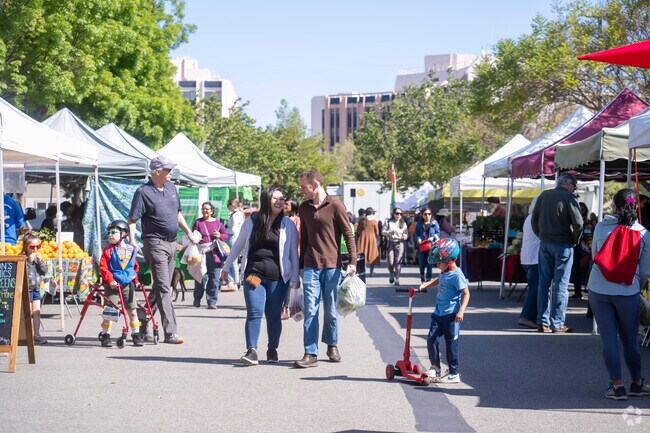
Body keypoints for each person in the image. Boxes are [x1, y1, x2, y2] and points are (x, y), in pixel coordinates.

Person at [220, 187, 299, 365]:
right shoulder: (252, 221)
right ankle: (252, 351)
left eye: (282, 199)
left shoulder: (288, 225)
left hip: (278, 279)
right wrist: (226, 265)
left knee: (273, 315)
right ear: (266, 199)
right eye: (275, 198)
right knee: (254, 312)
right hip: (254, 275)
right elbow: (238, 245)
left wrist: (294, 279)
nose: (280, 202)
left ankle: (272, 349)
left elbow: (293, 254)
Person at [587, 188, 650, 400]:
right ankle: (637, 382)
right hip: (627, 291)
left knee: (609, 339)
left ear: (614, 205)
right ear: (636, 206)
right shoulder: (643, 233)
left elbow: (596, 255)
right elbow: (645, 270)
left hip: (599, 288)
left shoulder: (601, 228)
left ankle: (617, 386)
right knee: (630, 339)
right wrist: (634, 286)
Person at [128, 156, 195, 345]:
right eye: (168, 169)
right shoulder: (143, 192)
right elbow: (132, 220)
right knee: (165, 287)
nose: (171, 173)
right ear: (157, 171)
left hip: (173, 243)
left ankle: (143, 315)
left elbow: (177, 214)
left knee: (161, 285)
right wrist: (132, 241)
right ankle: (170, 332)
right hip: (154, 243)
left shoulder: (172, 188)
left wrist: (188, 232)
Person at [295, 168, 357, 368]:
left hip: (332, 266)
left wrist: (353, 261)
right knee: (311, 309)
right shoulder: (303, 208)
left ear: (315, 184)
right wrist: (300, 266)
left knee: (330, 310)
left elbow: (348, 234)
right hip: (311, 265)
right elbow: (303, 237)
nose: (302, 190)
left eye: (304, 186)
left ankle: (332, 345)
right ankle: (310, 352)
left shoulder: (336, 205)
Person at [531, 172, 583, 333]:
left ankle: (542, 321)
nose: (574, 190)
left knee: (544, 284)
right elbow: (579, 223)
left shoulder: (544, 195)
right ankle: (557, 323)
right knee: (561, 285)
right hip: (563, 244)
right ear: (568, 184)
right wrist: (576, 240)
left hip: (545, 243)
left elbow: (534, 220)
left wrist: (540, 235)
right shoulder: (570, 198)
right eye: (574, 187)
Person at [418, 238, 470, 383]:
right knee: (431, 339)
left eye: (438, 263)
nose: (437, 265)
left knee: (451, 344)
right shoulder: (444, 271)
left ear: (450, 261)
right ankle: (435, 367)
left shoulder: (457, 275)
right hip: (438, 314)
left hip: (452, 316)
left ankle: (454, 373)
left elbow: (466, 293)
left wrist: (461, 311)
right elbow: (438, 279)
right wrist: (426, 284)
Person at [98, 220, 143, 347]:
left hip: (128, 285)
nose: (110, 235)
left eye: (114, 232)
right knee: (109, 312)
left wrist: (136, 281)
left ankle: (136, 334)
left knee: (132, 311)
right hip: (112, 285)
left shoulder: (132, 250)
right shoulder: (107, 251)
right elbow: (103, 267)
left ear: (123, 234)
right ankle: (105, 335)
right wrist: (110, 280)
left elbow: (134, 268)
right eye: (109, 233)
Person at [192, 201, 228, 309]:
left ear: (212, 211)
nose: (205, 211)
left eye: (207, 209)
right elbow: (194, 235)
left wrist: (220, 235)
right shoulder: (198, 222)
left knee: (214, 278)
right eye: (203, 209)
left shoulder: (218, 223)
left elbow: (225, 235)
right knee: (201, 278)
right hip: (201, 254)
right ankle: (197, 298)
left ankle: (212, 302)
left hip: (215, 254)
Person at [518, 197, 540, 329]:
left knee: (534, 287)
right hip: (534, 257)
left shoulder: (529, 218)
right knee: (535, 288)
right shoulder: (536, 218)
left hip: (528, 257)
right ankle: (526, 316)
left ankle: (529, 315)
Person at [23, 234, 48, 344]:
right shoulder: (22, 258)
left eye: (38, 246)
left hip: (36, 288)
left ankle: (37, 334)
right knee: (27, 312)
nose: (35, 249)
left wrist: (41, 261)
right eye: (32, 247)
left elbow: (44, 271)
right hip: (26, 289)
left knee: (37, 312)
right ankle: (26, 334)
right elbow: (21, 271)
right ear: (25, 247)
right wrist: (28, 261)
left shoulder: (38, 258)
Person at [383, 207, 409, 285]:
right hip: (391, 242)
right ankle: (391, 274)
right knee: (390, 262)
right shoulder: (388, 222)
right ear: (393, 214)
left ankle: (397, 279)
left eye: (400, 214)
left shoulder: (403, 223)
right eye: (397, 213)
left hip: (400, 243)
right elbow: (383, 231)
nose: (398, 215)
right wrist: (389, 232)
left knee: (398, 261)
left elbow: (406, 233)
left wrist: (405, 236)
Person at [415, 208, 440, 283]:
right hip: (422, 245)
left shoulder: (435, 223)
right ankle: (422, 275)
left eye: (429, 214)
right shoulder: (420, 223)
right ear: (422, 215)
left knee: (430, 263)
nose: (427, 216)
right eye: (425, 214)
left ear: (431, 215)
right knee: (422, 263)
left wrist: (433, 237)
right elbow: (416, 233)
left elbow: (438, 233)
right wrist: (418, 238)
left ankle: (428, 278)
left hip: (431, 245)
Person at [226, 198, 245, 291]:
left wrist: (224, 231)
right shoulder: (238, 214)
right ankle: (235, 280)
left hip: (233, 238)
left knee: (232, 260)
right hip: (236, 238)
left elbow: (233, 230)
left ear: (232, 205)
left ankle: (234, 281)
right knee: (234, 261)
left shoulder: (235, 215)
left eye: (228, 205)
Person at [355, 207, 379, 277]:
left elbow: (357, 229)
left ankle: (363, 271)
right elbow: (377, 232)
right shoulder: (374, 221)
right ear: (372, 213)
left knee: (362, 255)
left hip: (362, 239)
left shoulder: (362, 220)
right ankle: (371, 272)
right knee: (372, 255)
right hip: (372, 239)